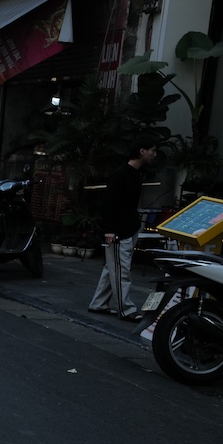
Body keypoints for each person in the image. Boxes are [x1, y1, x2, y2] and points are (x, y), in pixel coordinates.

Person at [89, 137, 159, 321]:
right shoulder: (122, 174)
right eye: (152, 150)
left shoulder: (133, 173)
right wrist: (110, 230)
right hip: (120, 230)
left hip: (127, 227)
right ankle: (126, 309)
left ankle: (99, 303)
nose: (154, 154)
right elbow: (110, 203)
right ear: (142, 151)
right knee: (121, 270)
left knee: (113, 267)